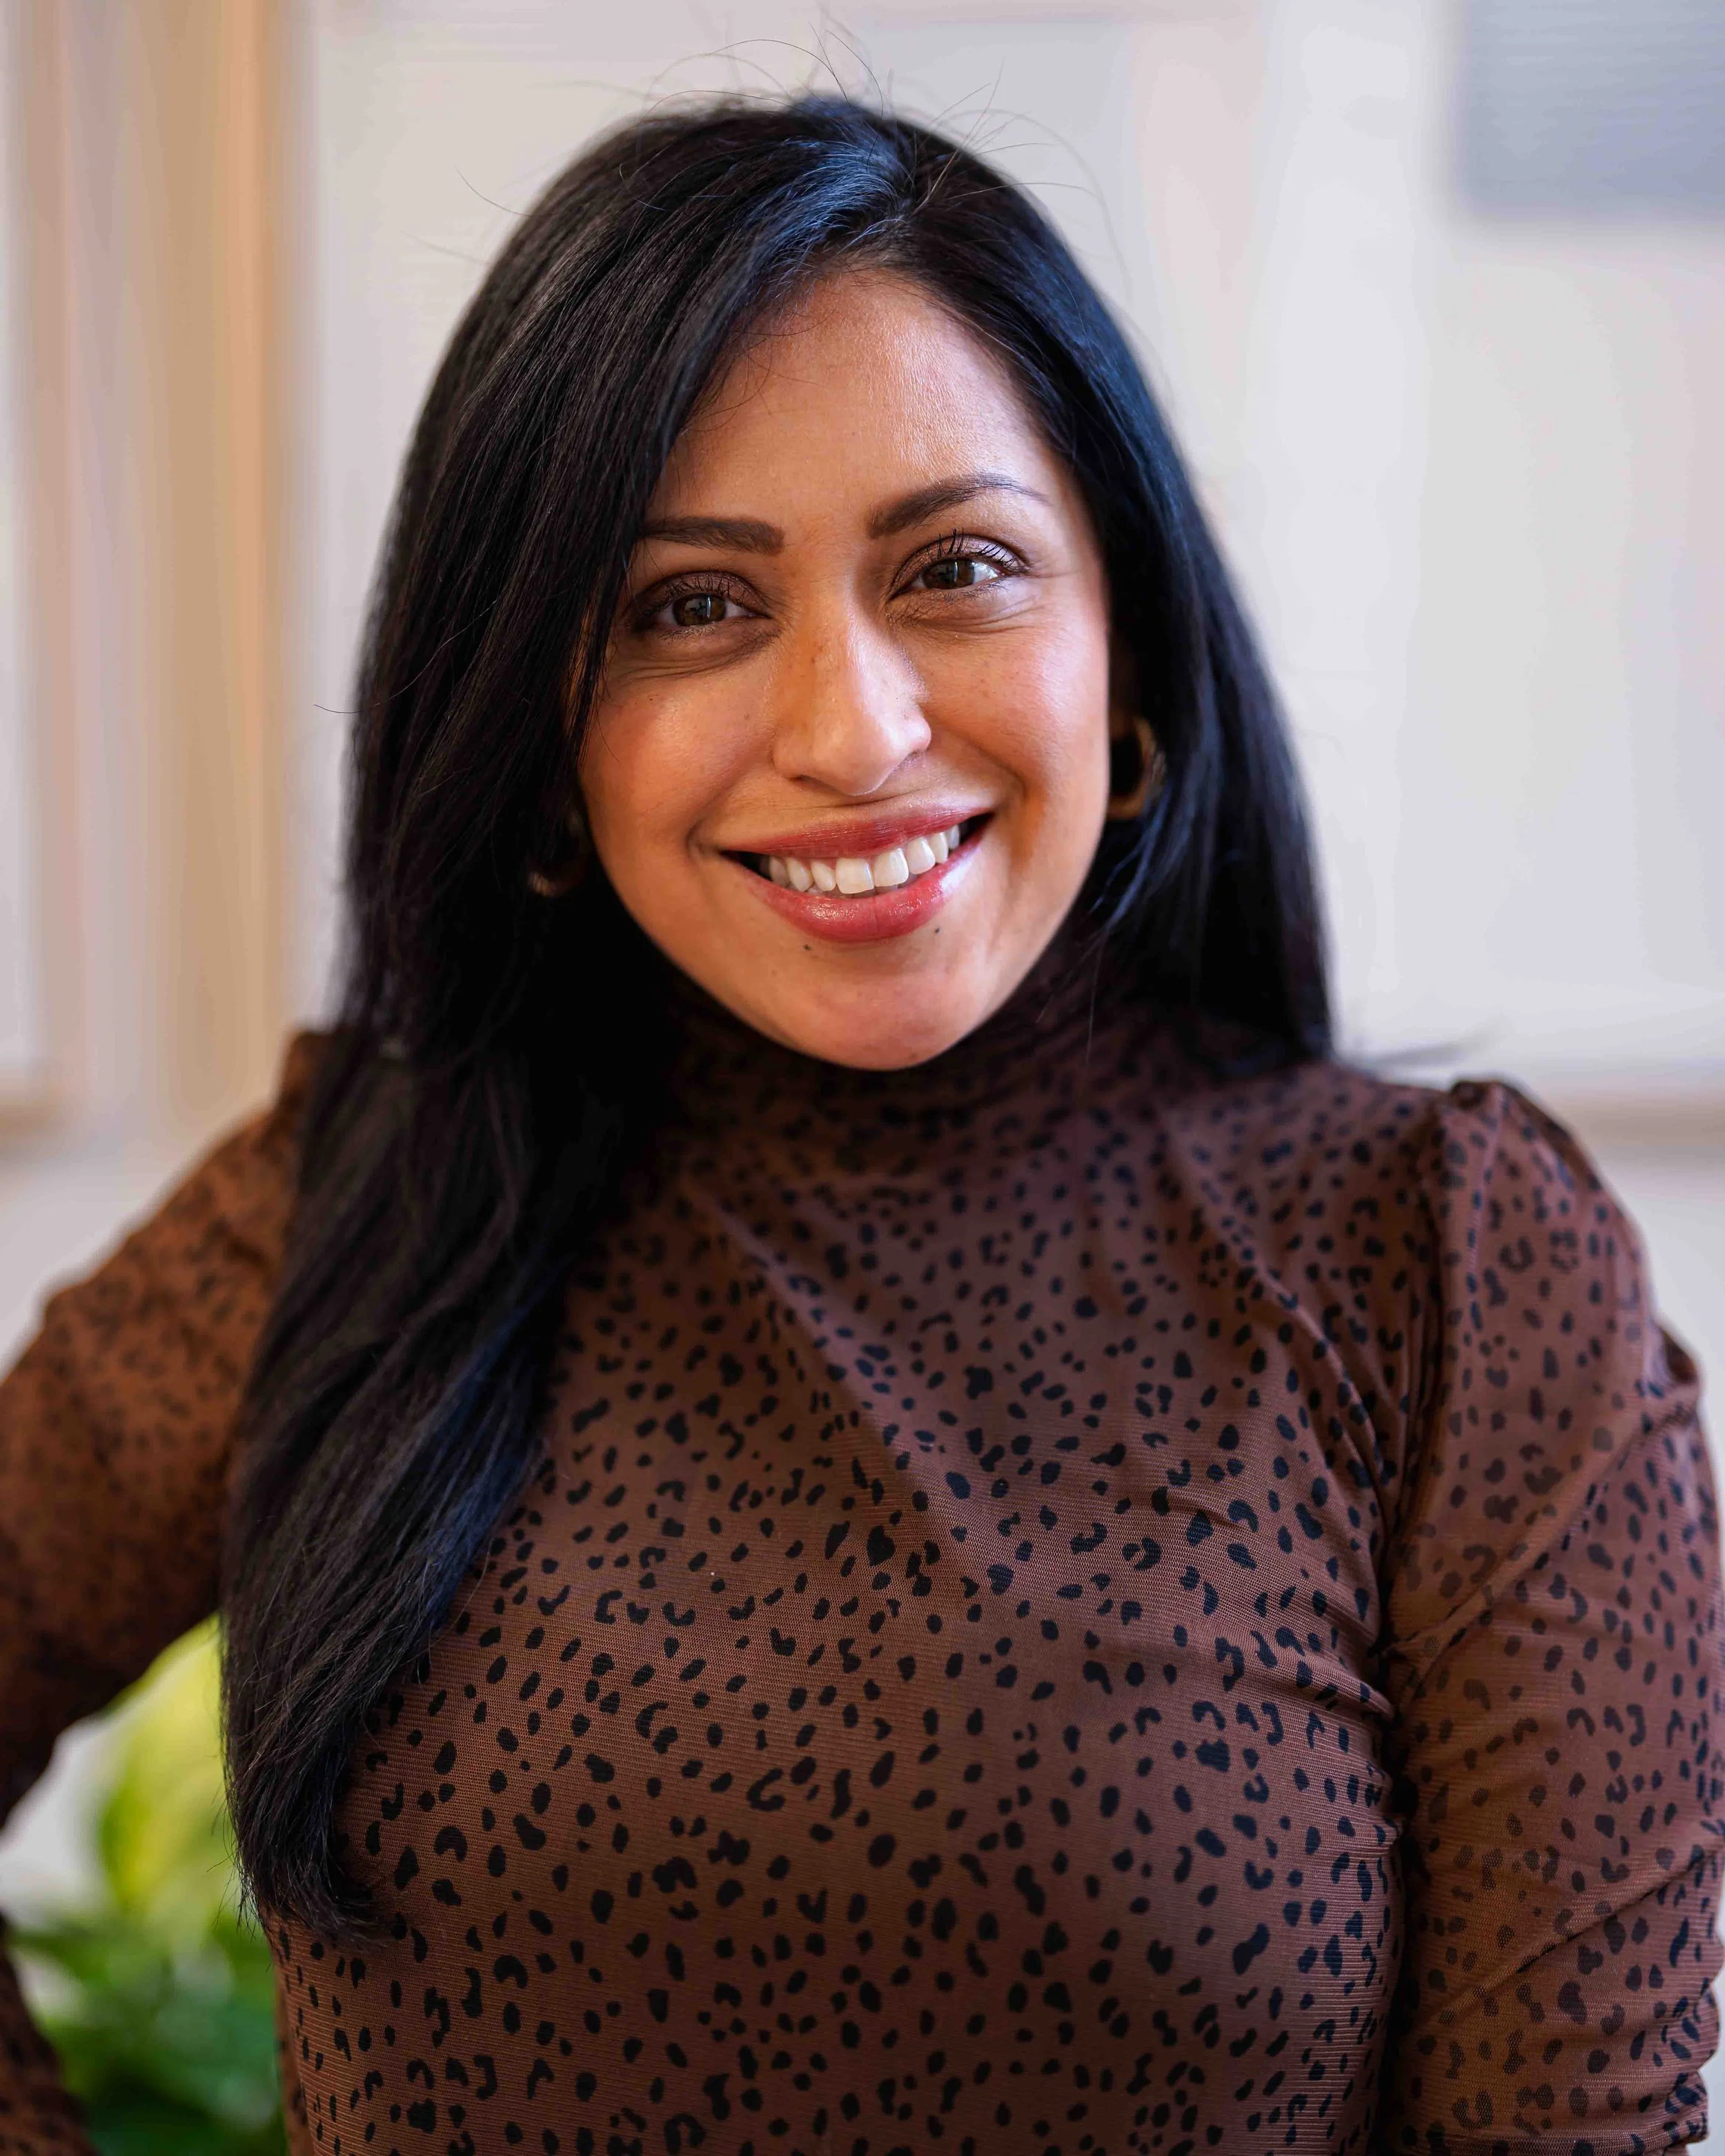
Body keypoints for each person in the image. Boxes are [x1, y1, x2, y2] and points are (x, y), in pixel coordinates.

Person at [0, 95, 1718, 2156]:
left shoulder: (1441, 1263)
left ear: (1128, 651)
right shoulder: (346, 1207)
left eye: (957, 567)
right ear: (538, 734)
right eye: (688, 608)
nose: (851, 730)